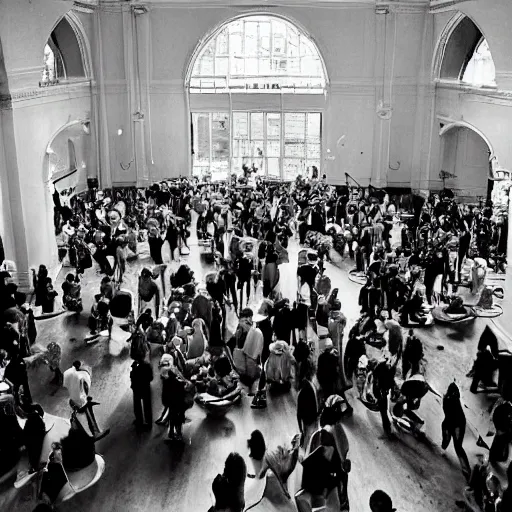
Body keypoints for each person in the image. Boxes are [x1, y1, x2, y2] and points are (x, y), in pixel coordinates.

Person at [441, 382, 471, 482]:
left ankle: (466, 469)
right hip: (457, 423)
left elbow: (448, 413)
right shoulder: (453, 400)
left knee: (453, 443)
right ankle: (466, 469)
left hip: (454, 423)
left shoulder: (447, 399)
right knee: (456, 446)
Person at [130, 357, 154, 430]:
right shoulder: (147, 365)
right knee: (147, 405)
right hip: (145, 387)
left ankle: (139, 421)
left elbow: (132, 377)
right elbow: (151, 378)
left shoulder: (135, 366)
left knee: (137, 405)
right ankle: (148, 422)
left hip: (137, 387)